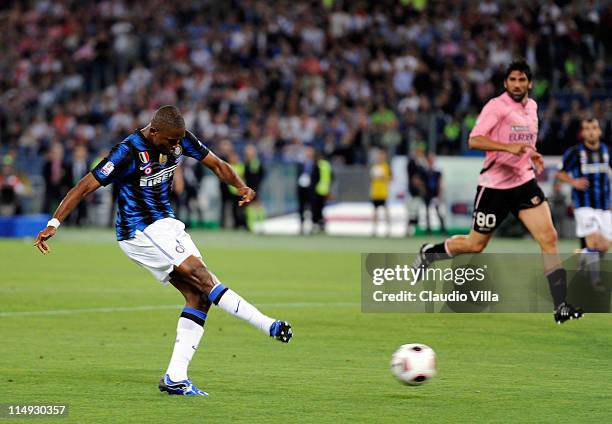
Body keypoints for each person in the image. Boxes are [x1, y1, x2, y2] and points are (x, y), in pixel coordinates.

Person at [34, 106, 292, 397]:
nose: (175, 147)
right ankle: (268, 325)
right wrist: (54, 223)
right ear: (153, 131)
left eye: (178, 141)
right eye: (170, 141)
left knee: (199, 297)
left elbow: (217, 164)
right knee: (201, 276)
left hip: (166, 224)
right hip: (139, 230)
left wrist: (242, 187)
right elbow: (83, 187)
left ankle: (175, 378)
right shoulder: (128, 152)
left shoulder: (180, 139)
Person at [412, 60, 583, 324]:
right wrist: (506, 147)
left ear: (530, 83)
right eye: (512, 80)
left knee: (549, 237)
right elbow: (474, 138)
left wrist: (532, 154)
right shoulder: (496, 107)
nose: (517, 84)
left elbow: (524, 142)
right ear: (506, 83)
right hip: (495, 186)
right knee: (475, 245)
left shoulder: (533, 108)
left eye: (522, 80)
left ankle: (561, 304)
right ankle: (430, 252)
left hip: (524, 182)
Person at [556, 118, 610, 292]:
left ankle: (582, 258)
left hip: (605, 205)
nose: (591, 132)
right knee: (593, 240)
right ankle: (594, 281)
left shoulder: (607, 150)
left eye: (594, 128)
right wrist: (573, 181)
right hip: (583, 204)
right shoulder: (574, 152)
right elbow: (559, 172)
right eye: (587, 129)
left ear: (600, 131)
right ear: (583, 133)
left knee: (604, 246)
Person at [423, 152, 447, 235]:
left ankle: (442, 228)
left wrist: (440, 194)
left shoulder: (437, 170)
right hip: (427, 193)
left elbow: (440, 183)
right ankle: (428, 229)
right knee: (427, 212)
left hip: (435, 193)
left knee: (439, 211)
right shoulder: (425, 170)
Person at [369, 149, 391, 236]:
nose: (381, 158)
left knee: (386, 212)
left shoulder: (386, 167)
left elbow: (390, 178)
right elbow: (370, 179)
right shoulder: (374, 167)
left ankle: (388, 230)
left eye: (383, 156)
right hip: (375, 192)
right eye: (380, 156)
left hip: (383, 192)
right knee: (375, 212)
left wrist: (383, 177)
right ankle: (374, 230)